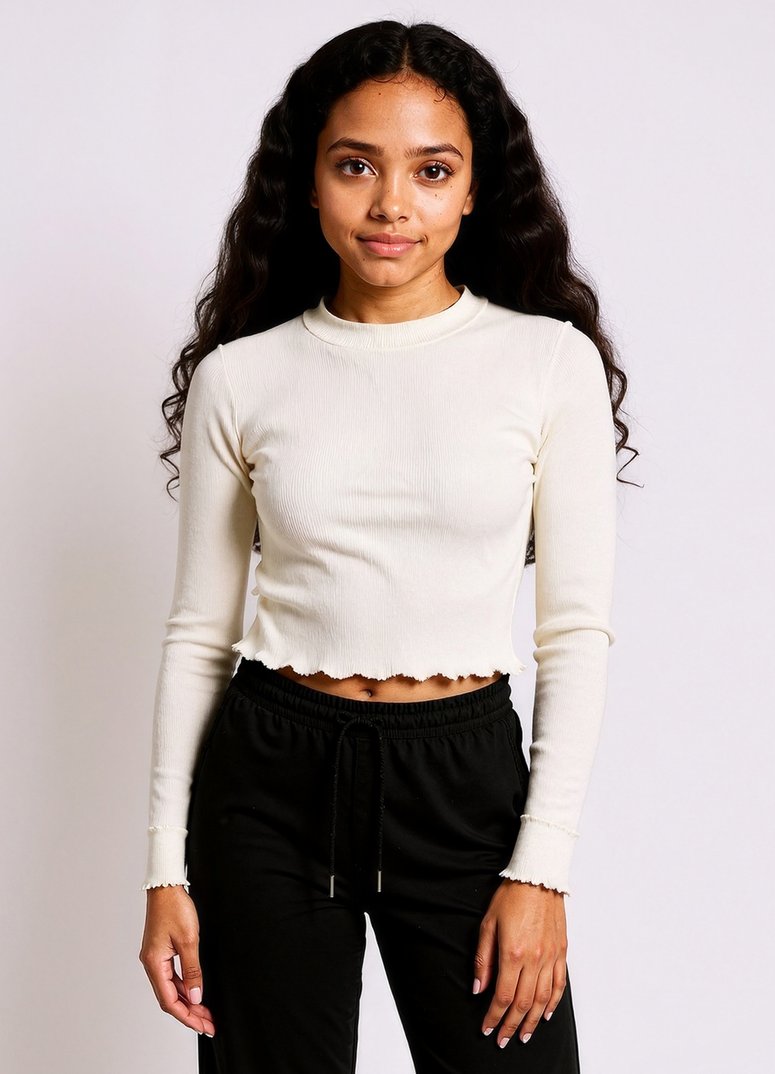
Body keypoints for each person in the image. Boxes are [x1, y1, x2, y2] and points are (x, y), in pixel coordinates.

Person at [138, 18, 634, 1074]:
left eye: (431, 170)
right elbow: (198, 634)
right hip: (268, 782)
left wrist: (540, 870)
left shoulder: (547, 366)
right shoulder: (243, 377)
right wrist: (164, 870)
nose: (391, 204)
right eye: (355, 165)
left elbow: (574, 636)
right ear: (308, 180)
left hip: (461, 781)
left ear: (474, 189)